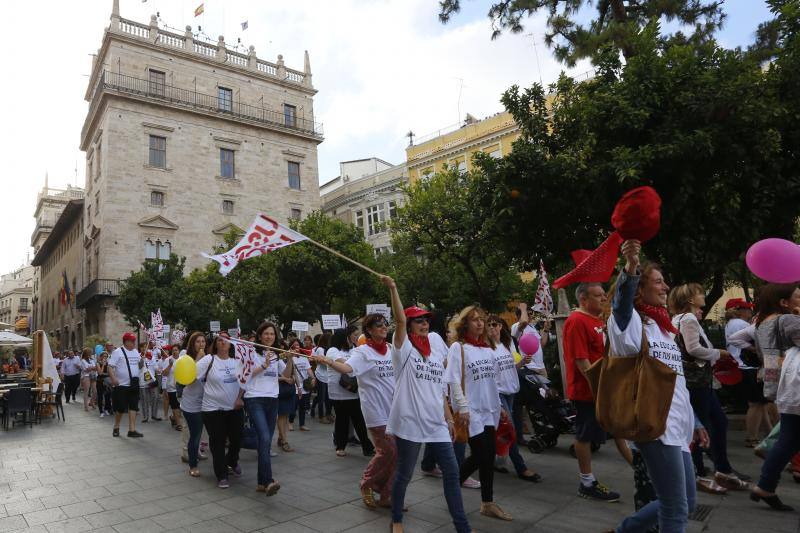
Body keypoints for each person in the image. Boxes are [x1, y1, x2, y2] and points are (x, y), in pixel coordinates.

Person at [608, 240, 707, 533]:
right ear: (640, 288)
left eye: (665, 282)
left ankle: (624, 530)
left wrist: (696, 420)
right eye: (659, 282)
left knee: (686, 502)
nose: (666, 288)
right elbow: (621, 306)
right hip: (654, 426)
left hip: (678, 426)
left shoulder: (665, 330)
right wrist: (631, 267)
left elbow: (676, 382)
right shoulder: (631, 323)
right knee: (675, 508)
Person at [384, 277, 471, 533]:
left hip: (436, 423)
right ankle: (396, 520)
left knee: (453, 473)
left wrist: (449, 417)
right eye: (419, 320)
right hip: (409, 421)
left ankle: (462, 527)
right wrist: (393, 288)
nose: (425, 323)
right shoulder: (403, 349)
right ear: (410, 325)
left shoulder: (434, 352)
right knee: (404, 475)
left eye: (426, 320)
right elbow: (399, 321)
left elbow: (438, 388)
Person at [312, 296, 397, 510]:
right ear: (368, 330)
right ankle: (367, 483)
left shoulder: (391, 349)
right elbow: (348, 369)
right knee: (388, 451)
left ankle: (387, 495)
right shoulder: (362, 352)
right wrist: (328, 361)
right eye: (378, 325)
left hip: (395, 410)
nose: (384, 328)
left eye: (385, 324)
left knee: (397, 455)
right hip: (375, 411)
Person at [668, 283, 749, 493]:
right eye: (699, 293)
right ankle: (701, 472)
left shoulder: (679, 319)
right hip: (697, 381)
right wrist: (718, 353)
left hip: (696, 380)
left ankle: (719, 468)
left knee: (715, 422)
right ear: (690, 299)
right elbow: (693, 348)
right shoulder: (688, 319)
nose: (703, 296)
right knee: (701, 425)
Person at [563, 283, 630, 502]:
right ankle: (587, 482)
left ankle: (642, 468)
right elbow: (582, 362)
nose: (604, 299)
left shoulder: (598, 320)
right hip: (588, 391)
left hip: (605, 388)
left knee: (620, 429)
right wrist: (600, 388)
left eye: (604, 295)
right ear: (583, 299)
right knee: (584, 435)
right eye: (598, 296)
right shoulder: (576, 321)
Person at [446, 305, 512, 521]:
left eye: (481, 319)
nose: (480, 323)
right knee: (481, 454)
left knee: (488, 455)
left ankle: (487, 503)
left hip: (489, 409)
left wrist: (499, 406)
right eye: (474, 319)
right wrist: (462, 407)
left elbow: (492, 381)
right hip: (471, 411)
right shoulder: (459, 348)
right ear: (465, 324)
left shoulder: (488, 348)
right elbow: (454, 379)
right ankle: (453, 486)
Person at [747, 283, 800, 511]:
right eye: (798, 297)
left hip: (779, 381)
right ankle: (766, 483)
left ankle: (766, 484)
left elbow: (760, 351)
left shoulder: (761, 322)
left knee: (789, 437)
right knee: (788, 437)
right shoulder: (787, 320)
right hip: (795, 380)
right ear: (784, 302)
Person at [237, 321, 294, 495]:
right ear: (260, 335)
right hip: (254, 399)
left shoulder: (276, 354)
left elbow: (284, 375)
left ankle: (262, 483)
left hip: (272, 400)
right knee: (263, 436)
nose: (269, 336)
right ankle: (268, 480)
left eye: (272, 334)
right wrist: (264, 365)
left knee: (266, 440)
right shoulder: (251, 353)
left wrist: (290, 359)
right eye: (266, 333)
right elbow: (244, 376)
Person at [486, 314, 542, 483]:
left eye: (494, 324)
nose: (492, 328)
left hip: (511, 391)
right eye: (488, 325)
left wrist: (523, 362)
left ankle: (494, 460)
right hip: (498, 393)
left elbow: (512, 368)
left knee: (500, 429)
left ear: (500, 326)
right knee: (510, 430)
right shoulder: (486, 349)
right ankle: (521, 467)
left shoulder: (507, 344)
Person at [725, 298, 773, 447]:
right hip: (749, 367)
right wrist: (754, 349)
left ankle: (770, 433)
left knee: (762, 403)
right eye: (747, 309)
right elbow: (757, 336)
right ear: (738, 310)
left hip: (742, 367)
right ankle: (752, 437)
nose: (749, 311)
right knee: (756, 404)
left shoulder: (731, 324)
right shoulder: (741, 324)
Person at [199, 333, 244, 489]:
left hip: (234, 408)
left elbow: (245, 381)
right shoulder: (208, 360)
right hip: (213, 409)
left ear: (231, 344)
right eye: (220, 339)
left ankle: (231, 461)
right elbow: (191, 376)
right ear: (216, 344)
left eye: (227, 339)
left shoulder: (238, 361)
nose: (223, 341)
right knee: (217, 442)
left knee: (237, 439)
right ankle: (222, 474)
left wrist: (240, 398)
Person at [326, 326, 375, 457]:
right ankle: (340, 446)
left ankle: (367, 447)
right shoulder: (332, 350)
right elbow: (347, 363)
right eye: (352, 335)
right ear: (344, 337)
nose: (354, 338)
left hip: (353, 391)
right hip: (338, 393)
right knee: (342, 420)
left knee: (359, 420)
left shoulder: (354, 349)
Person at [180, 332, 209, 476]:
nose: (201, 344)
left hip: (206, 401)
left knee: (200, 433)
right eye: (198, 342)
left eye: (203, 341)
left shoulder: (209, 358)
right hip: (191, 403)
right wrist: (198, 361)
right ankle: (192, 465)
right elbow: (188, 380)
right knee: (195, 434)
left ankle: (196, 452)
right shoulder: (185, 358)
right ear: (192, 344)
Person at [108, 332, 145, 438]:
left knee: (133, 407)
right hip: (122, 385)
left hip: (134, 384)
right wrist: (113, 378)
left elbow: (139, 366)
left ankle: (132, 430)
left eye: (134, 341)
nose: (134, 343)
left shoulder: (135, 352)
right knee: (120, 408)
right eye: (132, 341)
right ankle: (116, 426)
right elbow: (110, 367)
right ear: (126, 341)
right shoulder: (117, 352)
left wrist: (142, 362)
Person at [288, 338, 314, 432]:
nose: (296, 347)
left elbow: (309, 369)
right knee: (293, 406)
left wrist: (313, 378)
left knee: (303, 406)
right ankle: (290, 423)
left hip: (304, 386)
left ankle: (302, 424)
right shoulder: (290, 358)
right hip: (294, 386)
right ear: (291, 347)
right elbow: (289, 372)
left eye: (298, 345)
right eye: (294, 345)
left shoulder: (304, 357)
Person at [276, 338, 298, 453]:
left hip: (288, 389)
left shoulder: (284, 358)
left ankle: (281, 437)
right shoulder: (275, 358)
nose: (282, 348)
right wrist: (285, 378)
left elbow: (291, 373)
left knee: (284, 415)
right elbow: (281, 375)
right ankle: (284, 440)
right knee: (281, 416)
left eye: (283, 346)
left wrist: (298, 385)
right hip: (280, 389)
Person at [312, 333, 334, 424]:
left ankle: (328, 414)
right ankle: (321, 416)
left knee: (328, 397)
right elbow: (322, 362)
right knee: (321, 397)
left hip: (327, 376)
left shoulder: (328, 349)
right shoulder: (320, 349)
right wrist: (332, 364)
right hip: (321, 376)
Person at [138, 342, 159, 423]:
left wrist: (159, 369)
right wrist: (141, 360)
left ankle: (154, 415)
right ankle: (145, 416)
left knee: (155, 397)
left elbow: (155, 366)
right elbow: (139, 367)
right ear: (140, 348)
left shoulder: (151, 356)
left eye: (145, 346)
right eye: (142, 347)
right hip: (143, 381)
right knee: (144, 399)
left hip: (151, 380)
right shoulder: (138, 356)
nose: (144, 348)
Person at [95, 352, 112, 417]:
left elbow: (110, 373)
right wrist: (103, 365)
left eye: (106, 357)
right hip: (100, 381)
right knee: (100, 396)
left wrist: (106, 373)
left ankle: (106, 409)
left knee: (108, 396)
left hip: (107, 382)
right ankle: (101, 411)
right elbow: (100, 373)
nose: (105, 358)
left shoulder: (108, 364)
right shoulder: (98, 363)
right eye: (104, 356)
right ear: (101, 357)